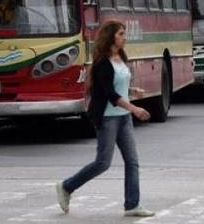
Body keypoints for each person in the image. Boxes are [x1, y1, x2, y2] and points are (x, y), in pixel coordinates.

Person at [55, 20, 155, 217]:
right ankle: (66, 186)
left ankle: (132, 204)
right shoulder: (102, 63)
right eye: (120, 34)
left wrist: (132, 90)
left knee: (132, 161)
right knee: (103, 163)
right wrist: (135, 108)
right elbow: (110, 94)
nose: (124, 37)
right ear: (111, 37)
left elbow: (118, 87)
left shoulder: (121, 58)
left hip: (123, 118)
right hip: (108, 119)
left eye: (124, 34)